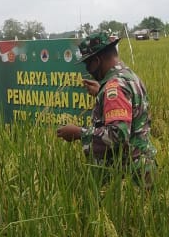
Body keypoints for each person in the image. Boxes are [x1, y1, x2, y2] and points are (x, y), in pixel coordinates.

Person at [55, 31, 156, 186]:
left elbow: (117, 134)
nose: (88, 69)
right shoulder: (128, 76)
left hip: (128, 177)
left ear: (97, 60)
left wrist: (78, 133)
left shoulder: (114, 88)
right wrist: (101, 93)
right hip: (142, 167)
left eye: (88, 64)